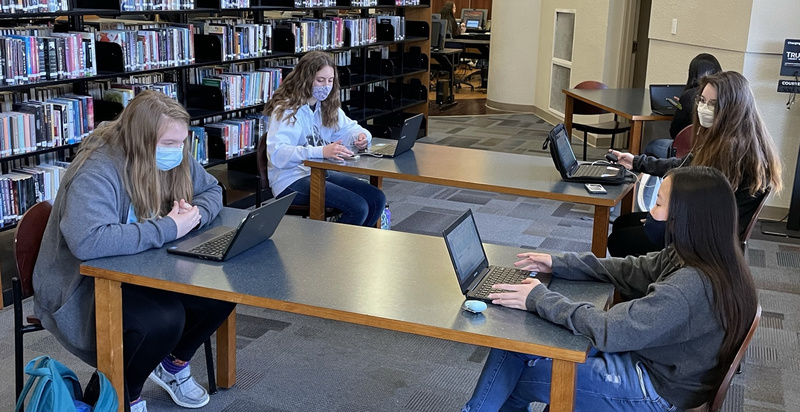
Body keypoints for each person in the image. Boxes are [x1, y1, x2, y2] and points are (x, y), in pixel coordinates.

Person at [463, 166, 758, 412]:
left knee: (519, 378)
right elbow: (633, 270)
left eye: (658, 203)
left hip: (654, 389)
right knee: (518, 348)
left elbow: (610, 331)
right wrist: (561, 263)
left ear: (684, 218)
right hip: (658, 364)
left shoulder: (690, 285)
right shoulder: (706, 254)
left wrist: (538, 298)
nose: (651, 211)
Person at [33, 91, 236, 412]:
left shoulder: (171, 152)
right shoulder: (98, 168)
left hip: (148, 264)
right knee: (162, 320)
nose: (179, 152)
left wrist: (193, 214)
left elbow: (211, 189)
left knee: (221, 293)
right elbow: (88, 242)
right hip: (86, 282)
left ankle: (170, 364)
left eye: (182, 142)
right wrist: (171, 228)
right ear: (140, 140)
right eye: (169, 144)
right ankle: (121, 394)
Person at [607, 70, 782, 257]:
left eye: (713, 104)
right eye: (702, 101)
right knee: (622, 224)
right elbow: (684, 166)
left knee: (619, 240)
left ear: (732, 109)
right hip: (708, 228)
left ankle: (652, 282)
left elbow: (706, 210)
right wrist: (636, 161)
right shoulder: (737, 138)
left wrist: (667, 220)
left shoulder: (732, 151)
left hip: (708, 240)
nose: (704, 108)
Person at [264, 50, 386, 227]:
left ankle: (352, 247)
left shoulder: (325, 106)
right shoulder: (286, 110)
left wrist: (362, 136)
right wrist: (320, 151)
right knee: (358, 207)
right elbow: (278, 154)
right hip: (290, 180)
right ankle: (331, 250)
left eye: (330, 80)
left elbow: (349, 127)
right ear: (305, 79)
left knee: (376, 198)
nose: (326, 86)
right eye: (320, 80)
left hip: (319, 172)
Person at [645, 53, 722, 158]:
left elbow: (674, 132)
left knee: (651, 145)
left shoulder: (689, 95)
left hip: (690, 149)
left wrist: (681, 107)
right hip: (714, 149)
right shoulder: (724, 95)